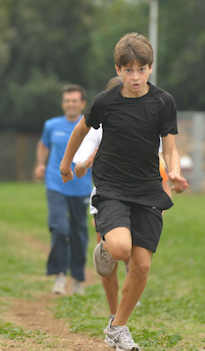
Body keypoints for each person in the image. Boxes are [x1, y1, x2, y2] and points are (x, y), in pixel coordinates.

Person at [60, 32, 189, 351]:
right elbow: (80, 129)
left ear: (150, 68)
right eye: (128, 70)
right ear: (118, 69)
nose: (135, 77)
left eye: (142, 69)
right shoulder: (106, 102)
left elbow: (170, 147)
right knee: (119, 249)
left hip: (147, 189)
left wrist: (175, 171)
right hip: (112, 187)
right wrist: (65, 165)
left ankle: (117, 327)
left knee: (142, 265)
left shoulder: (163, 102)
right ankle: (105, 248)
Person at [73, 76, 173, 328]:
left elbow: (162, 160)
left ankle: (120, 318)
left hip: (141, 194)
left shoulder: (150, 120)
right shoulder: (96, 131)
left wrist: (166, 190)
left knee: (134, 258)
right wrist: (87, 162)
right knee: (111, 261)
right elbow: (78, 170)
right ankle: (112, 312)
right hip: (107, 196)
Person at [34, 84, 92, 296]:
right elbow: (43, 145)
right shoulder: (51, 125)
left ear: (82, 104)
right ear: (63, 103)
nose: (71, 104)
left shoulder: (91, 126)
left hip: (81, 187)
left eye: (75, 100)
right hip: (55, 184)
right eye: (67, 100)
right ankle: (59, 275)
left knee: (79, 233)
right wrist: (41, 164)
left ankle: (77, 279)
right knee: (59, 228)